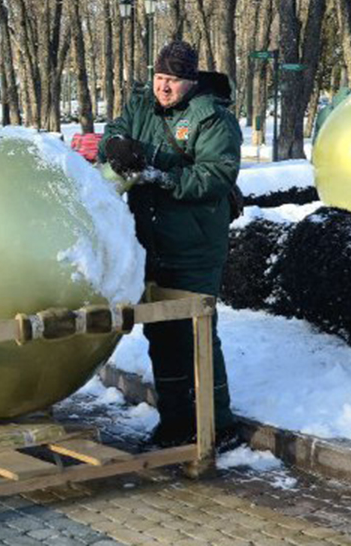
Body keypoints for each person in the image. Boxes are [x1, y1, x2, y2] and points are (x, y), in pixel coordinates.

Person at [99, 41, 242, 450]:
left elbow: (214, 176)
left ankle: (219, 423)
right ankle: (175, 419)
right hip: (152, 241)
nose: (163, 87)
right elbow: (117, 128)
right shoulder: (143, 103)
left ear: (190, 82)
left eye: (173, 81)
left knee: (196, 333)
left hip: (195, 244)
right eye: (159, 78)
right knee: (161, 333)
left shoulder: (212, 118)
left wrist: (158, 175)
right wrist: (117, 145)